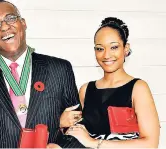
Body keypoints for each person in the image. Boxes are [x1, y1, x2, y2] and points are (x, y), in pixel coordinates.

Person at [0, 0, 84, 148]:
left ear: (23, 23)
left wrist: (60, 147)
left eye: (11, 18)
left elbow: (78, 126)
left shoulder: (59, 69)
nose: (5, 27)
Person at [55, 17, 160, 148]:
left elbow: (150, 144)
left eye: (114, 47)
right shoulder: (85, 90)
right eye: (100, 49)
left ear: (125, 48)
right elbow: (73, 134)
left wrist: (94, 143)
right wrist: (61, 123)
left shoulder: (138, 88)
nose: (106, 55)